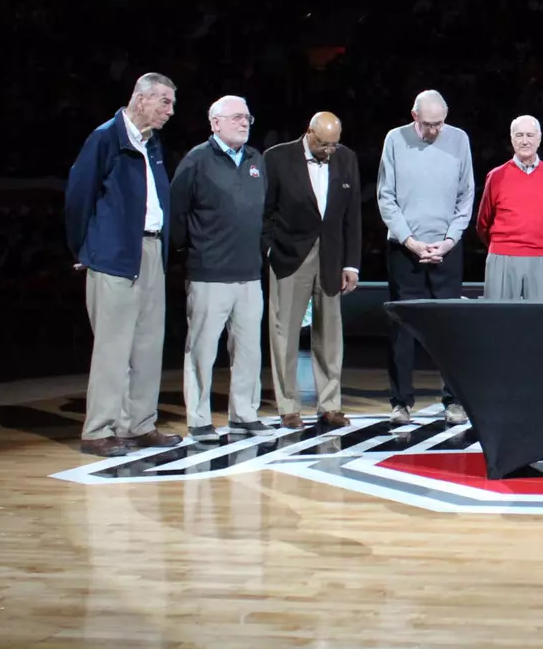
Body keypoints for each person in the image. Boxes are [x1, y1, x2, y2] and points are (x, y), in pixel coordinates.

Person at [64, 72, 183, 456]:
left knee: (149, 346)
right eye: (165, 101)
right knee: (112, 348)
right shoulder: (105, 138)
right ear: (141, 97)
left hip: (151, 253)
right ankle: (98, 429)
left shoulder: (153, 144)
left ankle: (139, 424)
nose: (171, 110)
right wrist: (87, 250)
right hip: (114, 257)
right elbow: (78, 199)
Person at [167, 95, 269, 443]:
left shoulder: (257, 160)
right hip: (209, 273)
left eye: (248, 117)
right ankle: (198, 419)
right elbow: (176, 215)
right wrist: (192, 251)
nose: (244, 123)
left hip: (249, 273)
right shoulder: (196, 161)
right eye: (237, 117)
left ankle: (244, 413)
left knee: (249, 350)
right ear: (215, 123)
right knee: (202, 350)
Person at [377, 89, 475, 424]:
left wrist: (448, 241)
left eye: (440, 123)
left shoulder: (459, 139)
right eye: (429, 124)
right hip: (405, 250)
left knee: (449, 328)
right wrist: (411, 241)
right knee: (402, 329)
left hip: (446, 250)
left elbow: (466, 195)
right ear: (414, 116)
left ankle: (453, 400)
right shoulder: (394, 139)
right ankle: (400, 402)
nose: (435, 130)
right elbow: (385, 196)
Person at [261, 112, 361, 431]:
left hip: (331, 258)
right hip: (290, 255)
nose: (330, 151)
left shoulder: (347, 158)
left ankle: (330, 405)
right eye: (324, 145)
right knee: (284, 333)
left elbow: (353, 216)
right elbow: (264, 211)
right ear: (309, 134)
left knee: (330, 335)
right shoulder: (276, 158)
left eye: (335, 144)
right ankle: (288, 405)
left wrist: (351, 264)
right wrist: (269, 250)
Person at [476, 115, 543, 300]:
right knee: (498, 321)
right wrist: (503, 245)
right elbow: (483, 221)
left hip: (541, 257)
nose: (525, 141)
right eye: (519, 135)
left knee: (540, 322)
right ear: (511, 139)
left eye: (530, 135)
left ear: (539, 139)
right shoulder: (496, 176)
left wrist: (542, 243)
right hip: (502, 256)